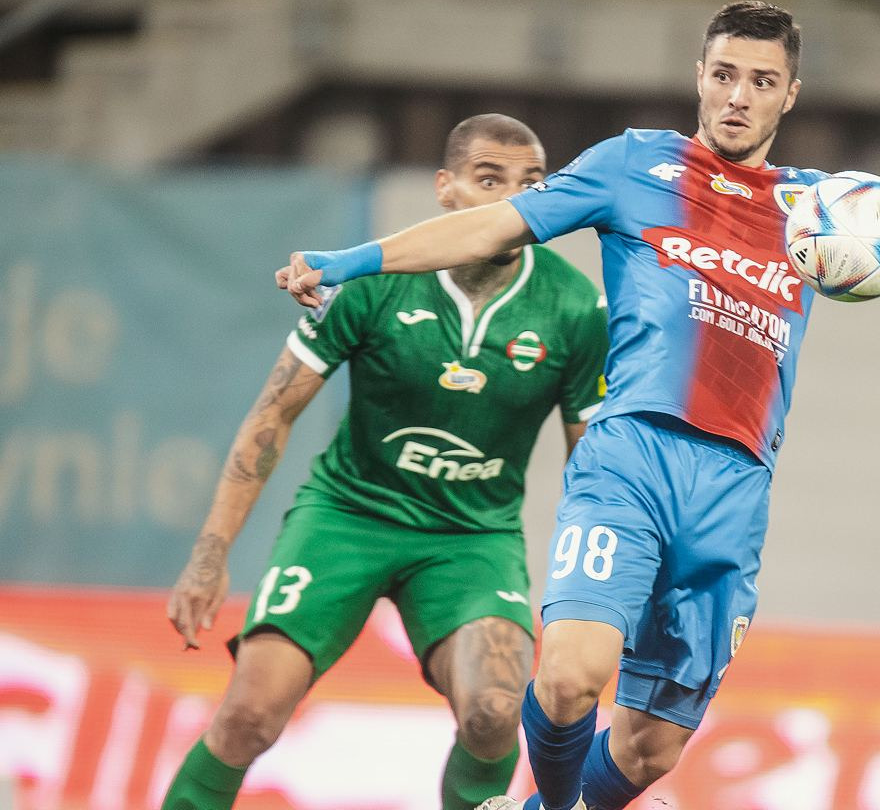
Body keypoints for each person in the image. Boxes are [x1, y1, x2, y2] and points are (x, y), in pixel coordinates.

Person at [276, 2, 880, 810]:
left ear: (790, 94)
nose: (737, 96)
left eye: (760, 81)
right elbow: (490, 226)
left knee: (650, 749)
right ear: (699, 77)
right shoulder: (633, 166)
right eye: (723, 74)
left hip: (733, 487)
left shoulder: (821, 214)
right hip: (631, 455)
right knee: (567, 678)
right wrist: (349, 262)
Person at [162, 113, 610, 810]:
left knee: (496, 714)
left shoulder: (577, 307)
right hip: (348, 515)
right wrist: (210, 554)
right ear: (445, 188)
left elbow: (594, 465)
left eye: (531, 183)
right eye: (489, 179)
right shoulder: (374, 282)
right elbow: (273, 415)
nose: (514, 201)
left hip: (471, 538)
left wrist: (599, 596)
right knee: (249, 714)